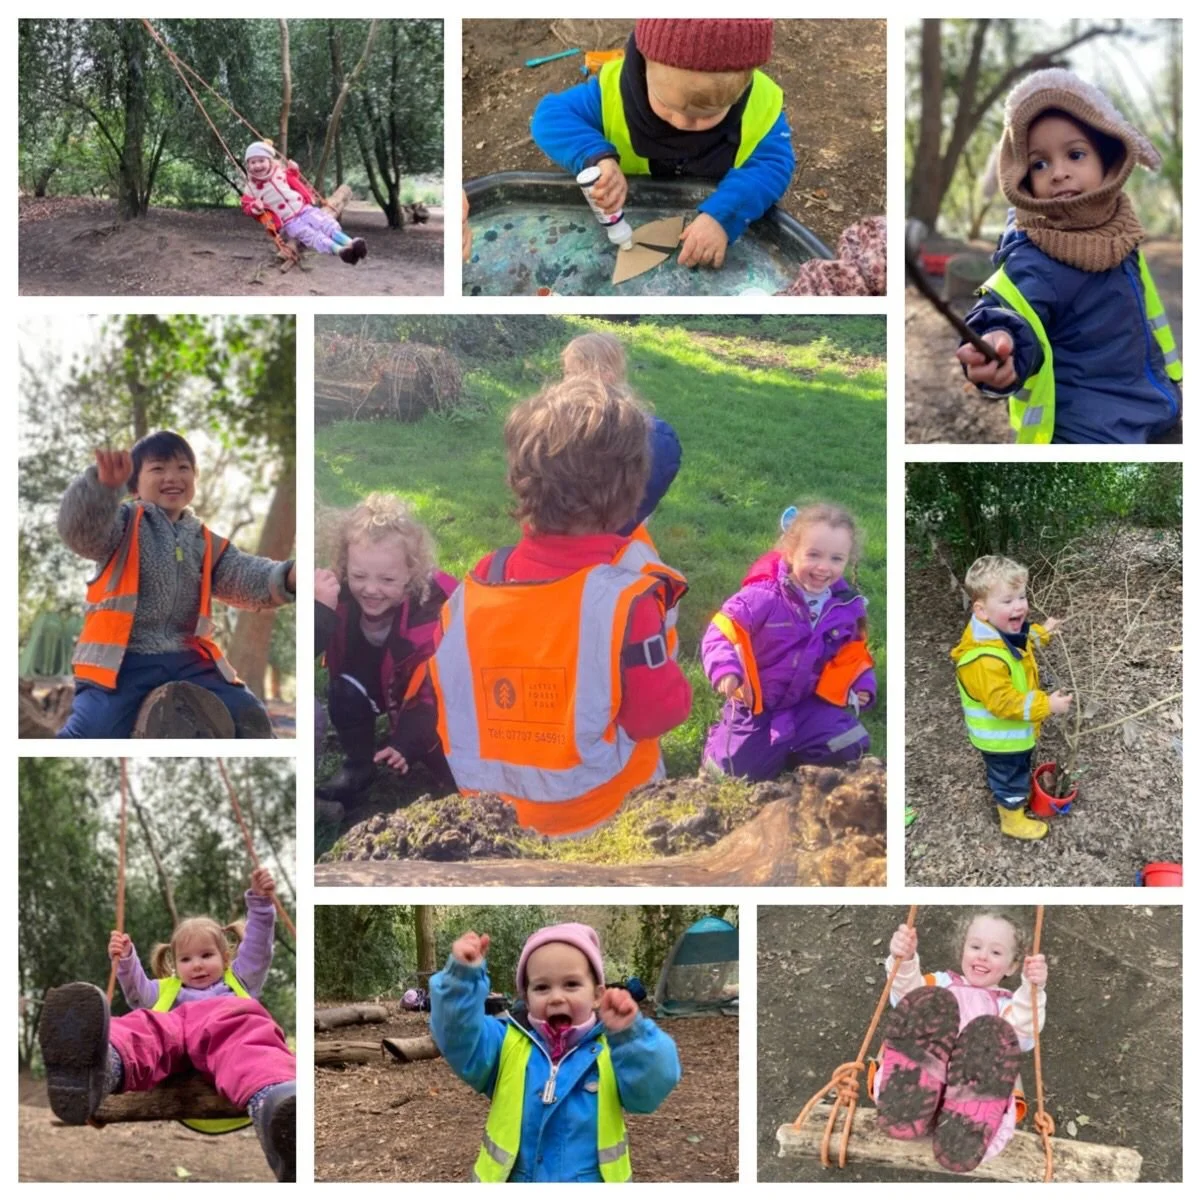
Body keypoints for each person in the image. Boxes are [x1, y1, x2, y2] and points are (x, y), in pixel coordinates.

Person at [403, 377, 691, 837]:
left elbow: (447, 681)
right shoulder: (627, 601)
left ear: (521, 481)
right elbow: (657, 715)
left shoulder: (477, 583)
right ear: (630, 492)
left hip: (492, 818)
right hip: (604, 813)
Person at [956, 69, 1181, 444]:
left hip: (1157, 409)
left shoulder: (1121, 233)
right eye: (1039, 163)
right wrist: (995, 342)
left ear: (1109, 161)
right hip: (1088, 434)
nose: (1058, 173)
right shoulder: (1034, 256)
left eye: (1075, 154)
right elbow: (1006, 313)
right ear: (1022, 177)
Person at [38, 867, 296, 1181]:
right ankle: (100, 1063)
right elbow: (136, 992)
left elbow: (258, 947)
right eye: (186, 959)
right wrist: (127, 958)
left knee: (249, 1037)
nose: (197, 964)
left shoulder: (239, 979)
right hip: (176, 1043)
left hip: (228, 1039)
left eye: (206, 955)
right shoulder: (168, 990)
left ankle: (280, 1108)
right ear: (174, 964)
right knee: (144, 1026)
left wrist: (260, 901)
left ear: (226, 957)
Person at [56, 432, 296, 739]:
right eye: (158, 469)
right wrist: (101, 489)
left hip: (188, 658)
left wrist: (288, 576)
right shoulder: (121, 525)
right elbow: (82, 533)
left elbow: (242, 574)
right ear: (133, 485)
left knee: (248, 714)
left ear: (195, 477)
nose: (172, 477)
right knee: (95, 728)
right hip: (122, 662)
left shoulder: (203, 539)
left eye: (183, 468)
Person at [531, 19, 794, 270]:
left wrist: (723, 216)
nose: (681, 123)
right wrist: (597, 157)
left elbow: (772, 166)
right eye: (668, 106)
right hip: (638, 210)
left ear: (742, 90)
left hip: (710, 206)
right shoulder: (614, 88)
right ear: (644, 68)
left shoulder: (761, 105)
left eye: (706, 115)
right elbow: (550, 118)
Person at [430, 922, 680, 1182]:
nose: (556, 997)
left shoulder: (614, 1049)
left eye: (571, 984)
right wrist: (460, 980)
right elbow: (456, 1036)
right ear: (526, 999)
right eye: (541, 987)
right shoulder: (503, 1043)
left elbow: (653, 1087)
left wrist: (632, 1035)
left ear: (597, 995)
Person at [701, 502, 875, 780]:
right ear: (790, 552)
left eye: (836, 559)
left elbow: (852, 652)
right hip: (758, 705)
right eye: (813, 555)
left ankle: (793, 750)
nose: (823, 567)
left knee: (850, 745)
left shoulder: (845, 606)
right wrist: (725, 668)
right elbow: (721, 630)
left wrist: (861, 684)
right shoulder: (763, 596)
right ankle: (722, 739)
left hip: (808, 702)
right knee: (732, 774)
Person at [875, 913, 1047, 1174]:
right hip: (912, 1096)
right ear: (962, 950)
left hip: (970, 1112)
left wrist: (1032, 991)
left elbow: (1024, 1034)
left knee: (994, 1036)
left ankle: (969, 1116)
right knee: (928, 1003)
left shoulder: (1008, 1006)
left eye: (996, 952)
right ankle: (914, 1087)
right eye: (975, 947)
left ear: (1013, 966)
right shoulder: (940, 984)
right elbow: (907, 1000)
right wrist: (906, 960)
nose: (982, 956)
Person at [314, 493, 457, 806]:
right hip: (369, 679)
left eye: (387, 579)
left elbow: (435, 691)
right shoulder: (335, 596)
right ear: (345, 567)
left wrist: (405, 742)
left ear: (412, 575)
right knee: (343, 692)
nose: (371, 589)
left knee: (449, 771)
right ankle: (358, 766)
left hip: (427, 701)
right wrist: (319, 611)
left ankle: (425, 753)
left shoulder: (430, 616)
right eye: (359, 576)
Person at [950, 555, 1071, 840]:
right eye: (1007, 601)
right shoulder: (983, 660)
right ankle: (1012, 818)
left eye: (1021, 597)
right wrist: (1047, 705)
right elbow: (1003, 703)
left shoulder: (999, 630)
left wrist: (1044, 632)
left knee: (1017, 767)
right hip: (1001, 740)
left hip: (1014, 734)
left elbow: (1022, 640)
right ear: (981, 610)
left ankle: (1015, 797)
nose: (1019, 606)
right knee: (1009, 777)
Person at [559, 331, 683, 534]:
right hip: (627, 528)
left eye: (572, 373)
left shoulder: (591, 428)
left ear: (605, 377)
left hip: (591, 527)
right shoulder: (658, 435)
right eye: (566, 372)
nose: (565, 382)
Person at [241, 141, 367, 264]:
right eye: (253, 162)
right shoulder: (251, 188)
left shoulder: (279, 172)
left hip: (303, 208)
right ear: (248, 165)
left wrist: (294, 170)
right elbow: (246, 206)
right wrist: (255, 207)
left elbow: (293, 178)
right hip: (288, 221)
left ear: (270, 161)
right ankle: (340, 251)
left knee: (324, 223)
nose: (257, 165)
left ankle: (350, 242)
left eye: (261, 161)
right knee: (310, 235)